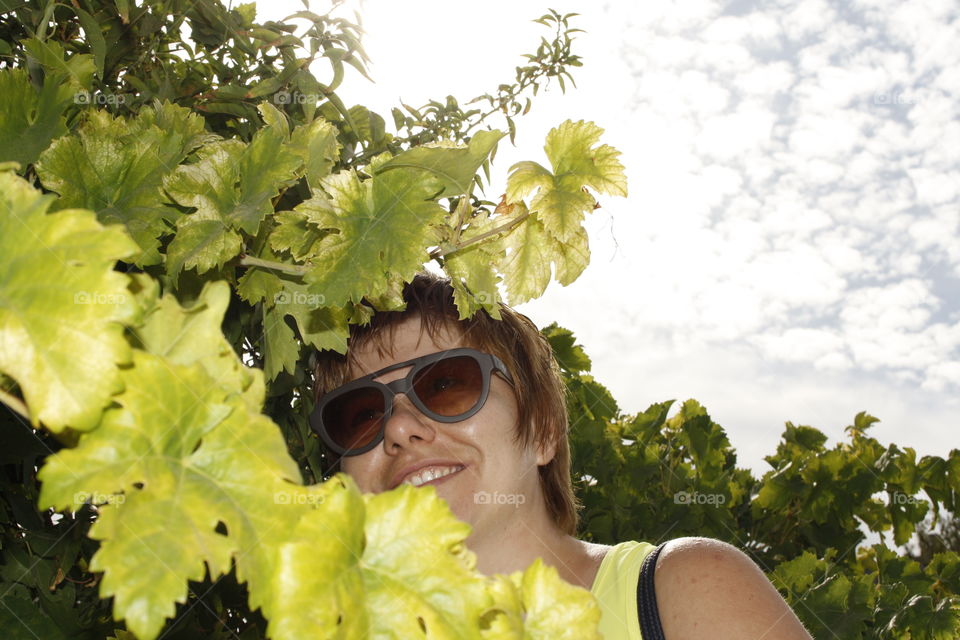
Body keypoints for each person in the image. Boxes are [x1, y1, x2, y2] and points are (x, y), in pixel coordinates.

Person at [311, 271, 812, 639]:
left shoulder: (681, 592)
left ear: (544, 427)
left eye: (445, 383)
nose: (398, 427)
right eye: (359, 415)